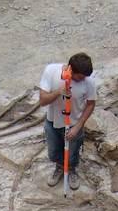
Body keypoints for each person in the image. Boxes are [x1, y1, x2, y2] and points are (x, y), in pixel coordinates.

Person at [39, 52, 97, 190]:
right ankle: (59, 167)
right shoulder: (51, 71)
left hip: (73, 123)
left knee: (72, 153)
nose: (83, 80)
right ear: (70, 69)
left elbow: (90, 104)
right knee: (53, 152)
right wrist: (59, 91)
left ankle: (71, 169)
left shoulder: (89, 81)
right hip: (53, 121)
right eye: (79, 77)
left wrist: (78, 126)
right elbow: (42, 101)